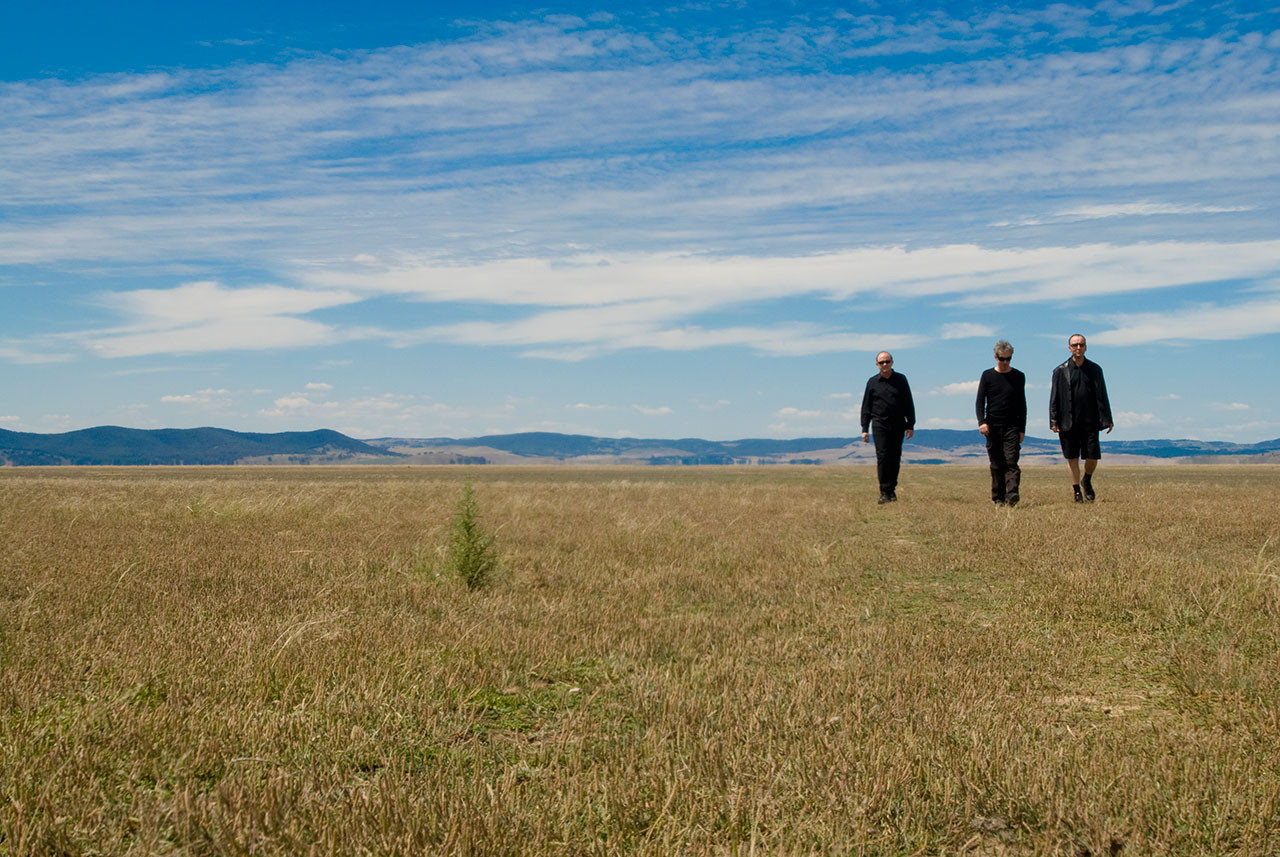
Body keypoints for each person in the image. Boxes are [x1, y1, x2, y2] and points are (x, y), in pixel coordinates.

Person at [1049, 333, 1113, 502]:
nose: (1078, 348)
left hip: (1090, 421)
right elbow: (1054, 397)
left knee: (1092, 457)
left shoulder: (1095, 370)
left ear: (1085, 347)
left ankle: (1087, 480)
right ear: (1069, 348)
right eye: (1075, 345)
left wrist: (1107, 419)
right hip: (1068, 421)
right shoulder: (1060, 371)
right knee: (1072, 457)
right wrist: (1053, 420)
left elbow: (1102, 395)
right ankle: (1077, 491)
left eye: (1081, 344)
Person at [975, 340, 1027, 507]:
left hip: (1012, 426)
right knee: (997, 464)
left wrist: (1022, 429)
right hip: (992, 426)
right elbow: (980, 401)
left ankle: (1012, 494)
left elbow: (1022, 404)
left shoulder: (1018, 376)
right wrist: (982, 422)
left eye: (1008, 359)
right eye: (1002, 359)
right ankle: (998, 498)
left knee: (1011, 461)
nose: (1005, 362)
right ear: (995, 357)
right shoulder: (987, 375)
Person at [861, 351, 915, 504]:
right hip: (879, 424)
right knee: (883, 456)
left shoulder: (901, 380)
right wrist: (864, 428)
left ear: (892, 362)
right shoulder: (872, 382)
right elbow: (866, 406)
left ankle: (892, 490)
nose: (884, 364)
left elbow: (908, 402)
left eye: (887, 361)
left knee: (895, 457)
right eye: (881, 362)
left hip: (898, 424)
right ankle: (884, 491)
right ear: (877, 365)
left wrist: (910, 424)